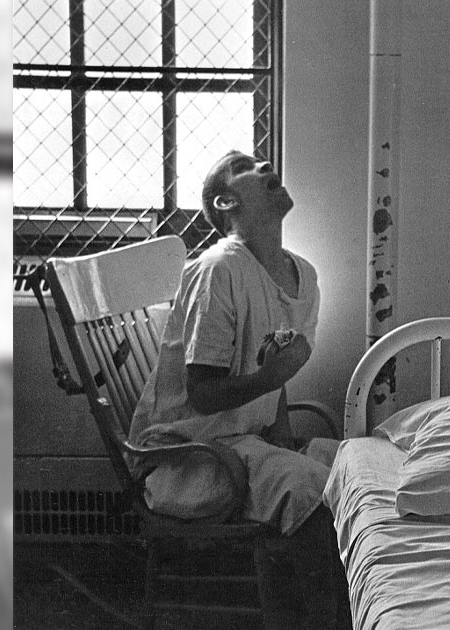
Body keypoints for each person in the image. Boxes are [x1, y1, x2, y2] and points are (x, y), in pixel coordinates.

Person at [128, 150, 348, 628]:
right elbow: (204, 394)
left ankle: (348, 612)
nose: (264, 165)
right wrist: (269, 382)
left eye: (262, 161)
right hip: (190, 457)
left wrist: (283, 439)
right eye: (244, 167)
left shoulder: (304, 276)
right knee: (314, 491)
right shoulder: (219, 270)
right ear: (226, 203)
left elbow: (275, 376)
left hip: (245, 444)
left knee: (357, 465)